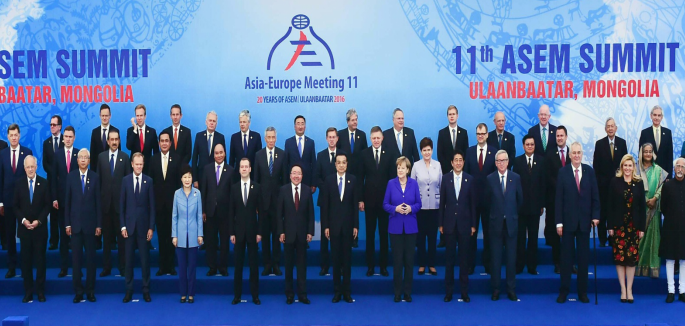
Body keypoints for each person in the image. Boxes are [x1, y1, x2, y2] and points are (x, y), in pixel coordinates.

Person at [555, 142, 600, 304]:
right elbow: (558, 199)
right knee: (566, 259)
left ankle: (583, 292)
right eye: (573, 152)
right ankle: (564, 291)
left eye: (579, 152)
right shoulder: (563, 172)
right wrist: (558, 223)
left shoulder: (589, 171)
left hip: (585, 223)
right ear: (569, 155)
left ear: (582, 154)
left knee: (583, 259)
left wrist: (596, 216)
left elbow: (595, 196)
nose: (576, 155)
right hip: (567, 223)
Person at [607, 154, 646, 303]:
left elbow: (642, 207)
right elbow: (609, 206)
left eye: (630, 165)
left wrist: (641, 227)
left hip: (633, 227)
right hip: (618, 227)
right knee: (619, 258)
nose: (627, 168)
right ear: (622, 167)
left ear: (633, 167)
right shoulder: (615, 182)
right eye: (625, 165)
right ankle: (622, 289)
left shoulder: (638, 183)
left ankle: (630, 289)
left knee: (631, 260)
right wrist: (609, 226)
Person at [321, 152, 359, 303]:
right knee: (336, 261)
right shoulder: (329, 180)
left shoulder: (353, 180)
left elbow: (354, 205)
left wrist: (356, 225)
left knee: (347, 260)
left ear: (347, 164)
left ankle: (347, 292)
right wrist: (326, 226)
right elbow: (325, 206)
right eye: (339, 162)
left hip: (349, 227)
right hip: (334, 227)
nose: (341, 165)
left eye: (344, 162)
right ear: (335, 164)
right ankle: (337, 292)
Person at [65, 149, 102, 303]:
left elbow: (98, 203)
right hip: (75, 226)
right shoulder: (71, 177)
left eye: (86, 157)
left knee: (91, 261)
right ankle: (78, 291)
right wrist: (67, 223)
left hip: (91, 226)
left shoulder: (95, 177)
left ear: (89, 160)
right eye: (80, 157)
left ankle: (90, 291)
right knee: (76, 260)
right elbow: (67, 202)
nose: (83, 160)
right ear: (77, 159)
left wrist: (99, 225)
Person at [439, 151, 476, 302]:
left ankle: (464, 292)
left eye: (461, 160)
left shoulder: (470, 179)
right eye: (456, 160)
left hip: (465, 225)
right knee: (449, 260)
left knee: (464, 260)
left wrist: (474, 225)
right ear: (452, 163)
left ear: (463, 162)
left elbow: (473, 205)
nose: (459, 162)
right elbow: (442, 203)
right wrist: (440, 223)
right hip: (448, 225)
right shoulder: (446, 178)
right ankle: (448, 292)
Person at [486, 150, 523, 301]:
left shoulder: (516, 178)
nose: (501, 163)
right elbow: (487, 201)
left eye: (504, 160)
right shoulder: (490, 179)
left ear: (508, 162)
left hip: (511, 225)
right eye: (499, 161)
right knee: (495, 259)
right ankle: (495, 290)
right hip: (495, 224)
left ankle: (511, 289)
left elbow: (519, 200)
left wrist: (512, 215)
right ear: (495, 163)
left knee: (511, 259)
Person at [384, 156, 421, 302]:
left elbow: (419, 204)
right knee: (398, 261)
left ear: (408, 169)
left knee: (409, 261)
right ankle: (397, 293)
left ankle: (407, 292)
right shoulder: (390, 184)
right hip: (395, 228)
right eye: (398, 167)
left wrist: (411, 208)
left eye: (403, 167)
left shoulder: (414, 184)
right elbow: (385, 204)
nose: (400, 170)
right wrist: (396, 208)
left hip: (411, 228)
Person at [14, 155, 50, 303]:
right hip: (24, 230)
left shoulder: (44, 183)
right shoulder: (18, 184)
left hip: (39, 230)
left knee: (41, 262)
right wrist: (23, 221)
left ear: (36, 167)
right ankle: (28, 292)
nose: (30, 169)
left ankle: (40, 292)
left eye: (32, 166)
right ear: (24, 168)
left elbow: (47, 206)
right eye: (27, 167)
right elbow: (15, 206)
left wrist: (38, 221)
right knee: (26, 262)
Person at [277, 164, 315, 305]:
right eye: (294, 173)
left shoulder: (306, 190)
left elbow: (311, 214)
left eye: (299, 173)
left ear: (302, 176)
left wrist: (310, 232)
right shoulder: (283, 190)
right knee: (288, 266)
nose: (296, 176)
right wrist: (281, 231)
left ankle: (302, 294)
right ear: (290, 175)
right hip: (287, 235)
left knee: (301, 266)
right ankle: (289, 294)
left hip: (302, 235)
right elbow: (279, 214)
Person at [121, 153, 156, 303]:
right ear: (132, 164)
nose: (139, 166)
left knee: (145, 261)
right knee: (128, 262)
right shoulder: (125, 181)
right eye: (137, 164)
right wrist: (122, 226)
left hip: (143, 228)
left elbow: (152, 207)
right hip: (128, 228)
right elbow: (121, 206)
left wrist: (151, 228)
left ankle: (146, 290)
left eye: (141, 164)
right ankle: (129, 291)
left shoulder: (149, 181)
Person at [359, 126, 393, 277]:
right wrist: (360, 199)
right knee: (370, 235)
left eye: (378, 138)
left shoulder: (389, 153)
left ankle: (384, 266)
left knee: (384, 235)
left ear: (382, 138)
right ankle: (370, 266)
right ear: (370, 138)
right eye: (374, 138)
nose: (376, 140)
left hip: (386, 202)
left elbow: (393, 180)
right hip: (369, 202)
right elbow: (360, 178)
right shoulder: (364, 154)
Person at [1, 124, 33, 279]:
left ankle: (25, 266)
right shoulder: (2, 154)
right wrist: (0, 202)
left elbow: (31, 178)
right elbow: (0, 179)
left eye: (16, 135)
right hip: (7, 202)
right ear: (8, 136)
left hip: (23, 202)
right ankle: (12, 267)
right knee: (9, 235)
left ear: (19, 136)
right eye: (11, 135)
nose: (14, 137)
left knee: (25, 235)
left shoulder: (27, 153)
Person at [97, 129, 131, 277]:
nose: (114, 142)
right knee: (106, 240)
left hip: (120, 207)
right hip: (105, 206)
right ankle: (106, 267)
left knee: (122, 240)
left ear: (119, 141)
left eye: (117, 139)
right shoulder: (101, 157)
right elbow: (98, 182)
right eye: (112, 139)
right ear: (108, 141)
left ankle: (122, 267)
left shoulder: (125, 157)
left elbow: (129, 183)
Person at [229, 158, 262, 305]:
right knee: (238, 266)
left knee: (254, 266)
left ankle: (255, 295)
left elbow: (261, 213)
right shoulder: (234, 188)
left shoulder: (257, 187)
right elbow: (231, 212)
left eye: (246, 166)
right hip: (238, 233)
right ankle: (237, 295)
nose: (243, 169)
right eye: (241, 166)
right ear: (239, 169)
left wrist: (260, 232)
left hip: (253, 233)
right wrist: (232, 233)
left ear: (250, 169)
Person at [254, 126, 286, 276]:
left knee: (277, 234)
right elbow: (256, 181)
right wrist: (256, 203)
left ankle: (276, 264)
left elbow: (285, 181)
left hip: (278, 202)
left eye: (274, 137)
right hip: (263, 203)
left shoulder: (282, 154)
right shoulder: (258, 155)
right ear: (265, 138)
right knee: (265, 235)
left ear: (276, 138)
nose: (271, 140)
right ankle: (267, 264)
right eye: (269, 137)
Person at [464, 123, 496, 274]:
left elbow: (496, 178)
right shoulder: (469, 152)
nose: (480, 136)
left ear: (487, 134)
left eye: (483, 133)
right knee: (471, 234)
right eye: (478, 134)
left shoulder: (494, 152)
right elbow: (466, 177)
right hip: (472, 202)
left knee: (489, 235)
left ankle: (488, 264)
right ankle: (470, 264)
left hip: (489, 202)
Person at [512, 135, 546, 275]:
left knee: (533, 239)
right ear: (523, 145)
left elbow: (543, 185)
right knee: (520, 239)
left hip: (535, 208)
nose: (530, 146)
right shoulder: (517, 161)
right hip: (520, 207)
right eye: (527, 144)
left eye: (532, 144)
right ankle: (519, 266)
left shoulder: (541, 161)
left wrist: (542, 205)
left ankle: (532, 266)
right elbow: (514, 185)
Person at [593, 117, 628, 247]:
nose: (610, 128)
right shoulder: (599, 144)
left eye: (612, 126)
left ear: (616, 128)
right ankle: (602, 239)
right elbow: (596, 166)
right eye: (608, 126)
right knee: (602, 212)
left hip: (618, 185)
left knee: (616, 212)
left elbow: (626, 165)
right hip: (603, 186)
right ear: (605, 129)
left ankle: (614, 238)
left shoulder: (622, 143)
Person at [150, 131, 181, 276]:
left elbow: (179, 184)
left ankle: (171, 266)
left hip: (173, 206)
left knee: (172, 237)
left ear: (170, 143)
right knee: (161, 237)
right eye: (161, 140)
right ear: (159, 142)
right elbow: (150, 184)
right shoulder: (153, 159)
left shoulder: (177, 159)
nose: (164, 143)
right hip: (158, 206)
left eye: (166, 141)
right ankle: (162, 267)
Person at [200, 143, 233, 276]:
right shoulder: (207, 169)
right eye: (216, 153)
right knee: (211, 241)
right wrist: (203, 210)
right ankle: (212, 267)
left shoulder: (231, 170)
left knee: (224, 242)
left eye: (221, 152)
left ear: (224, 154)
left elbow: (232, 194)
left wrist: (232, 213)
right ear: (213, 154)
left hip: (225, 213)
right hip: (210, 212)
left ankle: (223, 267)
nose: (219, 155)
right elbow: (204, 191)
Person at [172, 164, 203, 304]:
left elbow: (198, 216)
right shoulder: (176, 194)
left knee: (192, 268)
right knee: (182, 268)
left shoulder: (197, 194)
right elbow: (174, 216)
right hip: (180, 236)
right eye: (185, 177)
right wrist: (174, 236)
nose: (187, 179)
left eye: (189, 177)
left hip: (194, 236)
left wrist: (200, 234)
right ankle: (182, 294)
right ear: (181, 179)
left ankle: (191, 294)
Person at [410, 137, 442, 275]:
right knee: (421, 237)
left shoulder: (438, 165)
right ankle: (422, 264)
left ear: (432, 150)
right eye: (424, 150)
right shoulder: (416, 165)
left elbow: (440, 185)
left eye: (429, 150)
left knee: (433, 236)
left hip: (435, 206)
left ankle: (432, 264)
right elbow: (412, 186)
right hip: (420, 208)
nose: (427, 152)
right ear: (421, 151)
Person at [336, 109, 367, 249]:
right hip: (344, 177)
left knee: (355, 206)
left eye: (356, 119)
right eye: (353, 120)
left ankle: (355, 236)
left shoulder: (362, 135)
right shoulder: (340, 135)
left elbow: (365, 156)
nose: (355, 122)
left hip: (358, 178)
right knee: (345, 207)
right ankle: (345, 234)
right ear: (347, 121)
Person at [636, 143, 667, 278]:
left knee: (653, 238)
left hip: (654, 209)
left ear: (653, 153)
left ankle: (652, 268)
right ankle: (639, 267)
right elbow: (634, 188)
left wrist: (655, 198)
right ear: (641, 153)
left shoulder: (658, 170)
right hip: (640, 209)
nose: (648, 154)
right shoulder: (636, 170)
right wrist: (644, 200)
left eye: (650, 151)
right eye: (645, 152)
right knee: (640, 238)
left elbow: (662, 186)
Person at [51, 126, 78, 278]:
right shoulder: (57, 154)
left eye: (70, 136)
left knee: (76, 237)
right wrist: (54, 198)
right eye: (66, 136)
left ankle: (77, 267)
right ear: (63, 138)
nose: (68, 139)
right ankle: (63, 268)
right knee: (63, 236)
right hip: (61, 202)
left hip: (77, 203)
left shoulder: (79, 154)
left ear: (74, 138)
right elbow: (53, 178)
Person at [314, 127, 342, 276]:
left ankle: (341, 265)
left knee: (340, 235)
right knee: (325, 236)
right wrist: (329, 188)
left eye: (334, 137)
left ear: (337, 138)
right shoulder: (321, 155)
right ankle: (324, 266)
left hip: (341, 202)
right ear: (326, 139)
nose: (332, 139)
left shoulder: (343, 156)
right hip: (325, 200)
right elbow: (317, 177)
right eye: (329, 137)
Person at [545, 125, 571, 274]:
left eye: (562, 135)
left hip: (571, 202)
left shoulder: (572, 153)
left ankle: (569, 263)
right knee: (556, 234)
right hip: (554, 200)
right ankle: (557, 263)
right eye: (557, 136)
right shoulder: (550, 155)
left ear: (566, 137)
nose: (560, 138)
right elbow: (548, 177)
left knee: (569, 233)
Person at [660, 158, 685, 303]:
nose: (680, 169)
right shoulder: (667, 186)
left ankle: (682, 291)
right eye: (678, 166)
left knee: (683, 260)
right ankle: (670, 291)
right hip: (670, 227)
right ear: (674, 168)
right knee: (669, 260)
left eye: (683, 167)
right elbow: (663, 207)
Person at [42, 115, 63, 250]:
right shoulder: (46, 143)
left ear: (60, 126)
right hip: (51, 183)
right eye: (50, 124)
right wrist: (55, 173)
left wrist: (60, 173)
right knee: (53, 214)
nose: (52, 127)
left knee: (65, 213)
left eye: (54, 125)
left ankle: (67, 241)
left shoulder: (66, 140)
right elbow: (45, 163)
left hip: (64, 183)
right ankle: (54, 241)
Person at [192, 111, 226, 188]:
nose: (211, 123)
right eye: (210, 120)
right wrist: (195, 179)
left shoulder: (220, 137)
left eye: (214, 121)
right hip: (201, 176)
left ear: (216, 123)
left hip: (215, 177)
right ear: (206, 122)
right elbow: (194, 159)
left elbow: (224, 159)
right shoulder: (199, 136)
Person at [639, 105, 673, 179]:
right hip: (648, 172)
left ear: (662, 117)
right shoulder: (645, 133)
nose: (656, 118)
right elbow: (641, 155)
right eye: (654, 115)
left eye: (659, 115)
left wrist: (669, 177)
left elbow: (670, 156)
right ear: (651, 116)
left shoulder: (667, 133)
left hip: (663, 174)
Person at [284, 115, 317, 191]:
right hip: (292, 181)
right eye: (298, 124)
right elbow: (286, 164)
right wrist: (285, 182)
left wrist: (313, 183)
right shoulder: (288, 142)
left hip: (307, 181)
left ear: (305, 126)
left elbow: (314, 164)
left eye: (302, 124)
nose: (300, 126)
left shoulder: (310, 142)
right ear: (294, 126)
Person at [126, 104, 158, 175]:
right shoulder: (130, 131)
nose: (139, 118)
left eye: (141, 115)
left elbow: (156, 152)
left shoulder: (152, 132)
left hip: (148, 168)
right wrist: (135, 130)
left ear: (145, 116)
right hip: (134, 169)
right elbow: (128, 146)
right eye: (137, 116)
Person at [229, 110, 262, 178]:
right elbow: (232, 159)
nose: (242, 124)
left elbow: (259, 159)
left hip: (252, 175)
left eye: (244, 122)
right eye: (240, 122)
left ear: (249, 123)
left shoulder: (256, 136)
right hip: (238, 176)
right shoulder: (234, 137)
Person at [437, 105, 469, 175]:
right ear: (447, 116)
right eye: (450, 114)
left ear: (457, 116)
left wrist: (459, 167)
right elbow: (440, 154)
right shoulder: (442, 133)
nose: (452, 116)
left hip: (461, 171)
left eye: (453, 114)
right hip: (446, 171)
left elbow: (466, 153)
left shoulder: (463, 133)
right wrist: (449, 169)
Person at [89, 104, 119, 173]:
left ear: (110, 116)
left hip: (112, 169)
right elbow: (92, 154)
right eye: (103, 116)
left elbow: (118, 152)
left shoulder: (115, 131)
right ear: (100, 116)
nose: (104, 118)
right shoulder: (95, 132)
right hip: (98, 170)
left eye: (106, 116)